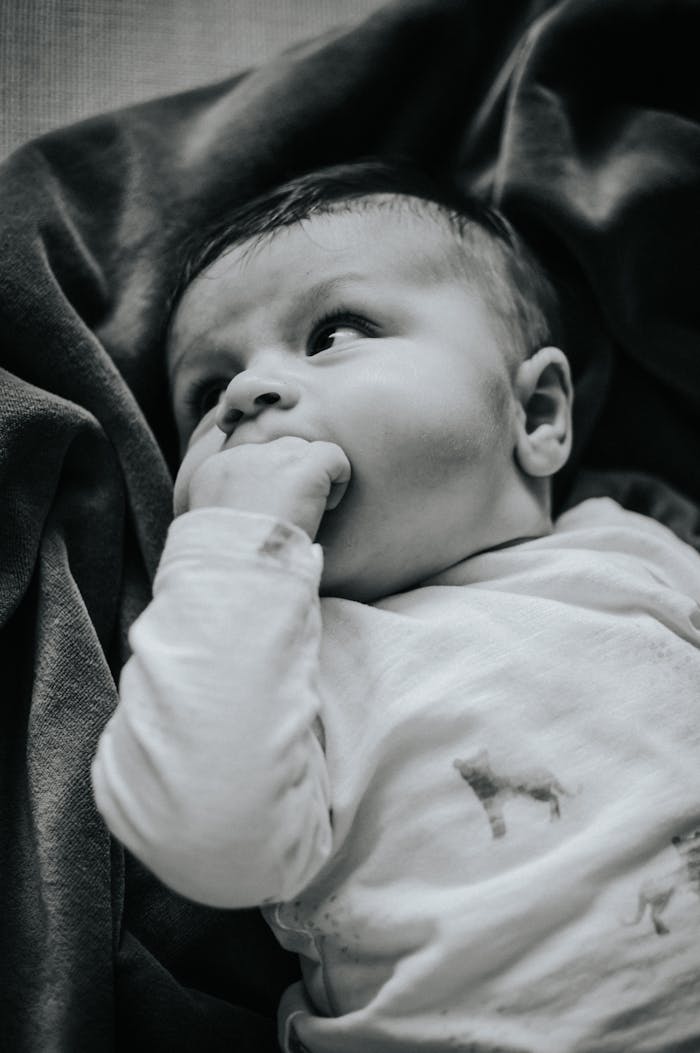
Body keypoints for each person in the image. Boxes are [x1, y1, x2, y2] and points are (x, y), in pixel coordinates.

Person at [91, 162, 700, 1053]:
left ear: (534, 412)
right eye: (203, 397)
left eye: (333, 332)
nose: (244, 394)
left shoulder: (634, 547)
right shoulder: (274, 661)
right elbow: (204, 837)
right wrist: (229, 552)